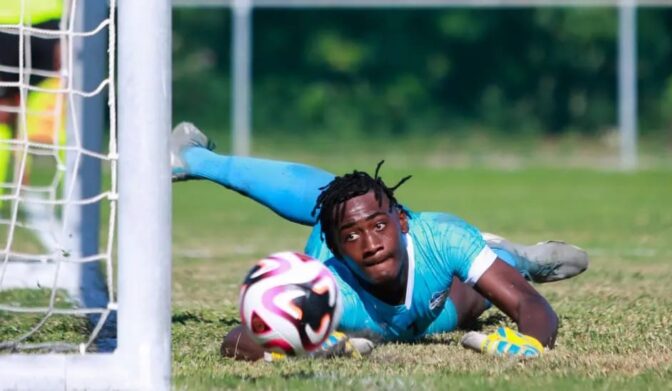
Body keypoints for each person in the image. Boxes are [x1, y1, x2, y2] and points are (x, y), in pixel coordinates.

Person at [169, 122, 589, 361]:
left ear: (402, 221)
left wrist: (531, 342)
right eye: (351, 237)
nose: (369, 242)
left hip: (436, 291)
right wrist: (298, 343)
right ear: (333, 248)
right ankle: (192, 159)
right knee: (337, 202)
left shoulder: (440, 236)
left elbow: (529, 306)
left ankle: (514, 258)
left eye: (380, 226)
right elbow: (238, 339)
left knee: (481, 295)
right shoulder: (324, 285)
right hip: (398, 298)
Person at [0, 0, 65, 203]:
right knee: (7, 110)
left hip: (42, 22)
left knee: (44, 103)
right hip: (14, 21)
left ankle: (68, 194)